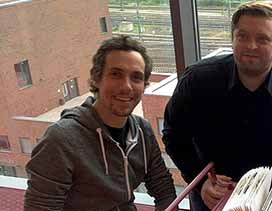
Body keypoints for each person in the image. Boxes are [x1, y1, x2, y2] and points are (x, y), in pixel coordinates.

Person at [162, 2, 272, 210]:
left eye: (262, 38)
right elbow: (174, 136)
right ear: (232, 39)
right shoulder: (197, 81)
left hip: (268, 198)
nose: (251, 46)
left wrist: (258, 191)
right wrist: (200, 181)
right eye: (242, 36)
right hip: (212, 195)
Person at [24, 35, 177, 211]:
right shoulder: (61, 139)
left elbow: (163, 188)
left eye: (136, 77)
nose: (126, 86)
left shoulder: (142, 130)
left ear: (144, 85)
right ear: (97, 79)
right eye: (115, 74)